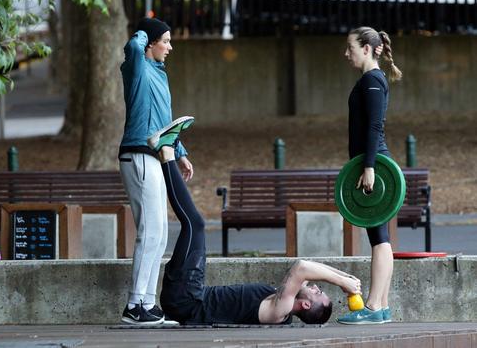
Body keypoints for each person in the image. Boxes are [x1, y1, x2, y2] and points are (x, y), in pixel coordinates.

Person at [149, 126, 362, 325]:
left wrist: (342, 283)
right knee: (194, 224)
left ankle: (166, 152)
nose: (315, 287)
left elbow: (302, 267)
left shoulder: (280, 311)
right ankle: (165, 152)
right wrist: (345, 277)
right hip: (189, 296)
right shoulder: (284, 301)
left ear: (305, 305)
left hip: (186, 300)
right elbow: (307, 272)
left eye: (317, 293)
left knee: (195, 224)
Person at [118, 16, 195, 325]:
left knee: (160, 232)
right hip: (139, 155)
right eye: (166, 40)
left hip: (156, 157)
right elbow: (132, 45)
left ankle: (147, 304)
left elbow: (164, 119)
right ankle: (134, 305)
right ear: (150, 43)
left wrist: (180, 152)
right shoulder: (136, 67)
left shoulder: (159, 74)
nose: (170, 46)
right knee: (149, 231)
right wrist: (144, 31)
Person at [336, 27, 403, 325]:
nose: (346, 52)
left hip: (375, 167)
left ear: (366, 48)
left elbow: (375, 127)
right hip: (371, 164)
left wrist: (370, 168)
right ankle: (382, 306)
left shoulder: (372, 80)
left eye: (350, 47)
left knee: (379, 239)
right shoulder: (371, 80)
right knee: (380, 237)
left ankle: (374, 305)